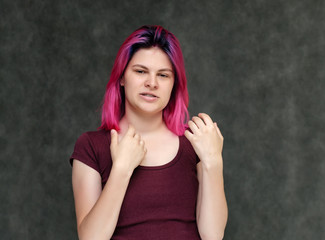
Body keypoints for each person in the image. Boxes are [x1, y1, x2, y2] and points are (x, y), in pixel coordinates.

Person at [70, 25, 227, 240]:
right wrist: (122, 169)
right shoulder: (91, 146)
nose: (151, 83)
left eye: (163, 75)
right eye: (141, 71)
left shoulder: (194, 142)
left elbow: (213, 236)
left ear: (174, 85)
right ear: (122, 77)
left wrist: (213, 162)